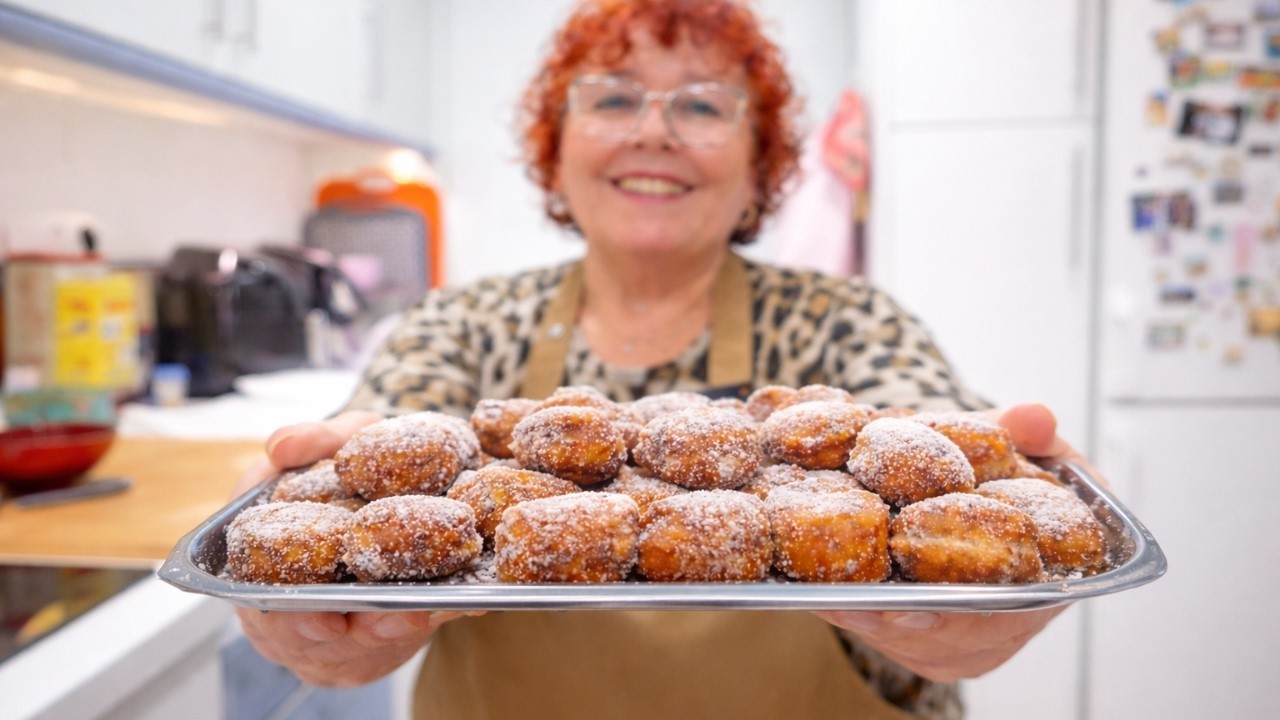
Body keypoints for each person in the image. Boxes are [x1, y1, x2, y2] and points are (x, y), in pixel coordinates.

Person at [233, 1, 1099, 718]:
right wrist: (320, 620)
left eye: (703, 106)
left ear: (760, 162)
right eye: (613, 99)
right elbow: (371, 458)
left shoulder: (847, 320)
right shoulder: (462, 322)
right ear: (555, 148)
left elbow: (935, 442)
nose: (654, 131)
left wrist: (992, 565)